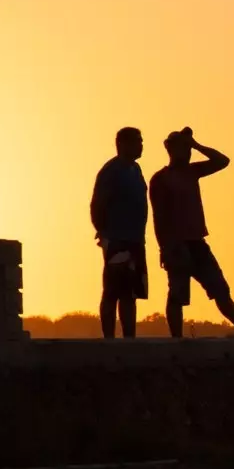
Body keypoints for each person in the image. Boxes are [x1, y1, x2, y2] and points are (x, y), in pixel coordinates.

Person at [148, 127, 234, 338]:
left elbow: (222, 161)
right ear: (171, 149)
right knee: (177, 294)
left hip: (197, 243)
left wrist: (196, 145)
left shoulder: (192, 171)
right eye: (184, 148)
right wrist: (165, 248)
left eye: (188, 149)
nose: (188, 153)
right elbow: (159, 218)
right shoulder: (161, 179)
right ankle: (176, 339)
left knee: (219, 288)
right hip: (176, 244)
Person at [89, 126, 149, 338]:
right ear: (122, 144)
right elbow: (97, 204)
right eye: (137, 141)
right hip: (117, 239)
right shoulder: (111, 171)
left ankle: (129, 338)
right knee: (112, 291)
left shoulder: (136, 169)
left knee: (130, 292)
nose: (141, 145)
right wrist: (103, 233)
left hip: (135, 240)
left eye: (141, 141)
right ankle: (109, 338)